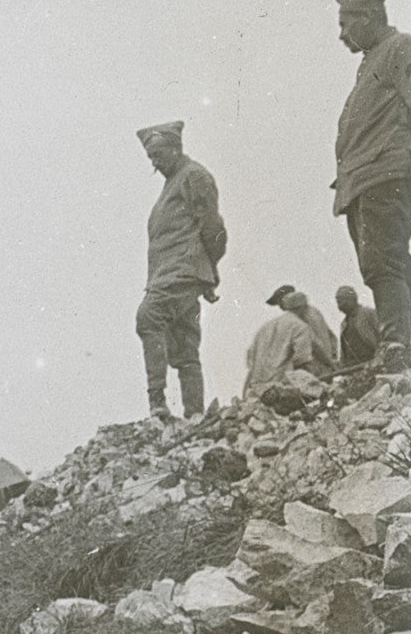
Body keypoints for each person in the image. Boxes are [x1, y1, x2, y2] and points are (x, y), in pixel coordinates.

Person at [332, 0, 411, 353]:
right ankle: (394, 342)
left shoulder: (403, 48)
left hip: (387, 172)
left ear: (370, 16)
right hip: (364, 178)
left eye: (346, 24)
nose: (341, 34)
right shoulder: (372, 62)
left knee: (384, 259)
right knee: (378, 263)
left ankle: (394, 343)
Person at [134, 121, 226, 420]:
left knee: (149, 317)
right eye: (151, 158)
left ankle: (157, 403)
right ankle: (195, 414)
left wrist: (208, 269)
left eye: (159, 155)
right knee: (185, 344)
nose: (155, 163)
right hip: (172, 273)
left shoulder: (193, 176)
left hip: (183, 270)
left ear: (176, 149)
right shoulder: (172, 183)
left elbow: (213, 228)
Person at [243, 291, 317, 396]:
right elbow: (302, 360)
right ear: (303, 307)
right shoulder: (300, 326)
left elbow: (250, 357)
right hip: (281, 390)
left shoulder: (266, 327)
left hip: (258, 390)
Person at [263, 284, 336, 376]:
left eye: (280, 302)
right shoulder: (312, 312)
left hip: (316, 366)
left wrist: (329, 362)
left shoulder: (305, 317)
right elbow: (332, 337)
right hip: (322, 364)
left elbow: (314, 343)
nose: (280, 307)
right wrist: (333, 357)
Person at [335, 285, 380, 368]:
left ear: (352, 299)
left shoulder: (368, 313)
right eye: (338, 302)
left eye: (342, 300)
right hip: (354, 368)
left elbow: (382, 333)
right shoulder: (344, 324)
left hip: (373, 362)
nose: (340, 305)